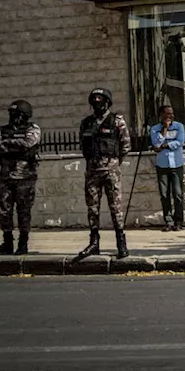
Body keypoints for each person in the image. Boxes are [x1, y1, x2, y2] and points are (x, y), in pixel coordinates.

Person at [75, 87, 131, 260]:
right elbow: (83, 147)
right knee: (92, 208)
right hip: (92, 171)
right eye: (94, 101)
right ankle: (94, 243)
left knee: (116, 208)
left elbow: (125, 146)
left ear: (107, 102)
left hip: (111, 170)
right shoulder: (86, 123)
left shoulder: (117, 121)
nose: (97, 104)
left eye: (100, 100)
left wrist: (113, 163)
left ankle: (121, 243)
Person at [0, 100, 42, 255]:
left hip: (25, 177)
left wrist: (7, 144)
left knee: (23, 211)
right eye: (11, 114)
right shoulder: (2, 129)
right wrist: (13, 145)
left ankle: (23, 243)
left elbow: (28, 143)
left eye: (16, 114)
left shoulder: (33, 129)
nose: (13, 117)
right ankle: (7, 242)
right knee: (4, 210)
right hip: (6, 177)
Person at [150, 105, 185, 231]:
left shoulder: (179, 126)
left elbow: (180, 141)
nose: (170, 116)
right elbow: (156, 143)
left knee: (178, 194)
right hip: (163, 165)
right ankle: (169, 221)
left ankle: (179, 221)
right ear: (161, 115)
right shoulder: (155, 129)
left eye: (171, 114)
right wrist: (164, 130)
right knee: (164, 194)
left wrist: (165, 146)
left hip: (176, 164)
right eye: (167, 114)